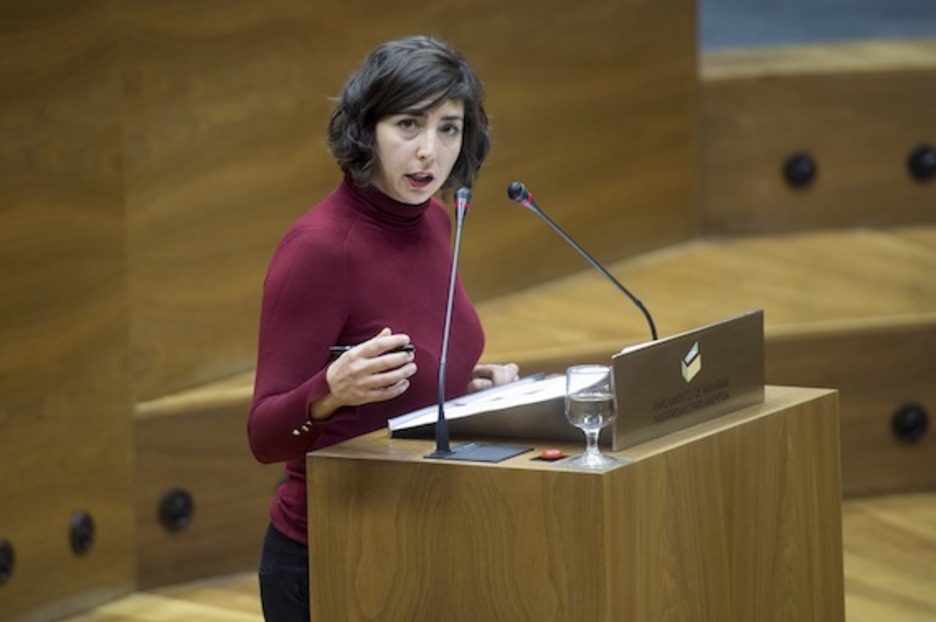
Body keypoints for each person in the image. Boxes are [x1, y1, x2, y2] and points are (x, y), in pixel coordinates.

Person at [247, 35, 520, 621]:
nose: (429, 151)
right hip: (330, 556)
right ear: (366, 129)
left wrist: (460, 387)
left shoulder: (436, 221)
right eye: (408, 124)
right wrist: (329, 391)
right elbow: (264, 437)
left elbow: (404, 374)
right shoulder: (319, 249)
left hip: (424, 534)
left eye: (448, 128)